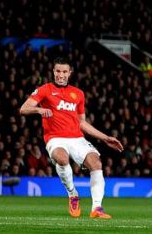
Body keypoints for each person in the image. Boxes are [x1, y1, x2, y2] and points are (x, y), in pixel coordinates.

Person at [19, 57, 124, 218]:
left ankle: (96, 208)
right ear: (54, 72)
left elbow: (82, 123)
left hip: (77, 138)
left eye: (64, 72)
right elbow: (24, 109)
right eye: (58, 71)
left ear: (70, 73)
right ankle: (72, 194)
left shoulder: (78, 94)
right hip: (55, 138)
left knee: (95, 162)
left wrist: (105, 138)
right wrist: (39, 110)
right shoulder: (45, 89)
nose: (61, 75)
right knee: (62, 158)